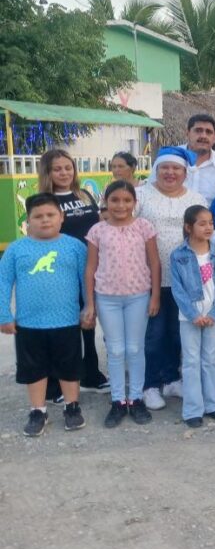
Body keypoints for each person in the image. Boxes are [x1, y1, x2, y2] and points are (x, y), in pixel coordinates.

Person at [0, 193, 89, 436]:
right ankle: (38, 410)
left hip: (67, 321)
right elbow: (4, 282)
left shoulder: (75, 247)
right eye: (38, 216)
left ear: (62, 217)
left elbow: (86, 280)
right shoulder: (16, 249)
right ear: (28, 221)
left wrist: (89, 308)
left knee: (69, 366)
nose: (45, 220)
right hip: (29, 324)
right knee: (34, 368)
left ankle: (72, 406)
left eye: (50, 215)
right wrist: (4, 314)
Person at [135, 147, 208, 411]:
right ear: (156, 169)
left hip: (185, 278)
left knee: (178, 333)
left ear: (185, 173)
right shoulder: (141, 195)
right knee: (153, 334)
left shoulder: (196, 199)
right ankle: (150, 384)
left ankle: (171, 379)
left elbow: (204, 232)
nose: (170, 173)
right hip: (149, 276)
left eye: (176, 168)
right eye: (164, 167)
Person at [84, 181, 160, 428]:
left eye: (127, 200)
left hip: (138, 296)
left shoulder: (144, 227)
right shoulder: (97, 230)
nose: (120, 205)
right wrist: (90, 303)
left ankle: (136, 398)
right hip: (107, 298)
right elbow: (91, 268)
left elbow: (154, 263)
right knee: (116, 350)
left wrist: (155, 296)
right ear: (105, 201)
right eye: (114, 200)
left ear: (134, 203)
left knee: (135, 348)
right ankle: (118, 400)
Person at [37, 149, 107, 393]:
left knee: (87, 322)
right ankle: (54, 383)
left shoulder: (84, 194)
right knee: (62, 329)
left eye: (68, 168)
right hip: (61, 272)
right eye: (57, 169)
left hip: (88, 270)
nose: (64, 173)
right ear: (47, 172)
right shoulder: (44, 200)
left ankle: (90, 374)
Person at [169, 205, 215, 428]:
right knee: (191, 361)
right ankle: (193, 409)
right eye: (202, 223)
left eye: (211, 223)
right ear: (189, 227)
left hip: (213, 316)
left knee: (209, 360)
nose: (208, 227)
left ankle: (212, 404)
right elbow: (177, 289)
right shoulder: (178, 255)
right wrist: (193, 314)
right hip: (190, 318)